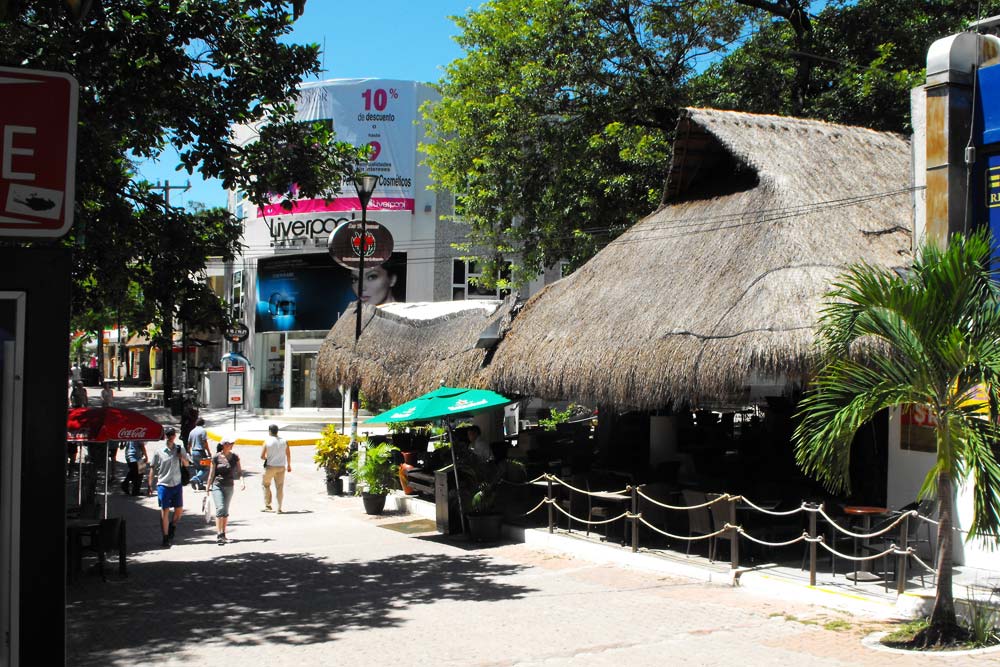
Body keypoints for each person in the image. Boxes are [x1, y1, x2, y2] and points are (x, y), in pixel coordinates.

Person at [147, 427, 191, 547]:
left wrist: (181, 456)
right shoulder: (159, 451)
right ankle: (165, 537)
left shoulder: (179, 448)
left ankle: (173, 526)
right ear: (166, 436)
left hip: (176, 484)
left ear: (175, 436)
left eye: (172, 434)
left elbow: (187, 464)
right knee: (164, 511)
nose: (171, 436)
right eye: (169, 434)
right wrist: (149, 484)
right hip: (163, 484)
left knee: (179, 510)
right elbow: (152, 467)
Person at [205, 435, 245, 545]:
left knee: (225, 510)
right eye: (229, 443)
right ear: (223, 445)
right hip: (217, 485)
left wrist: (242, 482)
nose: (232, 445)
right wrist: (207, 487)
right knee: (220, 508)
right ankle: (219, 534)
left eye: (232, 443)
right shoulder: (216, 457)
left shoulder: (235, 457)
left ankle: (224, 533)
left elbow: (239, 472)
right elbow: (212, 473)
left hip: (229, 486)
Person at [260, 424, 291, 513]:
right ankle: (279, 508)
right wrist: (289, 465)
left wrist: (268, 458)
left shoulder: (267, 441)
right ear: (277, 431)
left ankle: (268, 505)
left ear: (269, 431)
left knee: (266, 485)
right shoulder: (284, 441)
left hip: (270, 467)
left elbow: (262, 456)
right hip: (281, 467)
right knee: (280, 487)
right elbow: (288, 454)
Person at [187, 417, 210, 489]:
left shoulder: (192, 431)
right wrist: (208, 452)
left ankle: (200, 485)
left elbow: (189, 443)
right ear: (203, 423)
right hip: (201, 452)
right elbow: (205, 442)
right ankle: (195, 479)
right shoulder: (203, 431)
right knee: (206, 468)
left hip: (194, 452)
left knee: (198, 468)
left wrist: (189, 451)